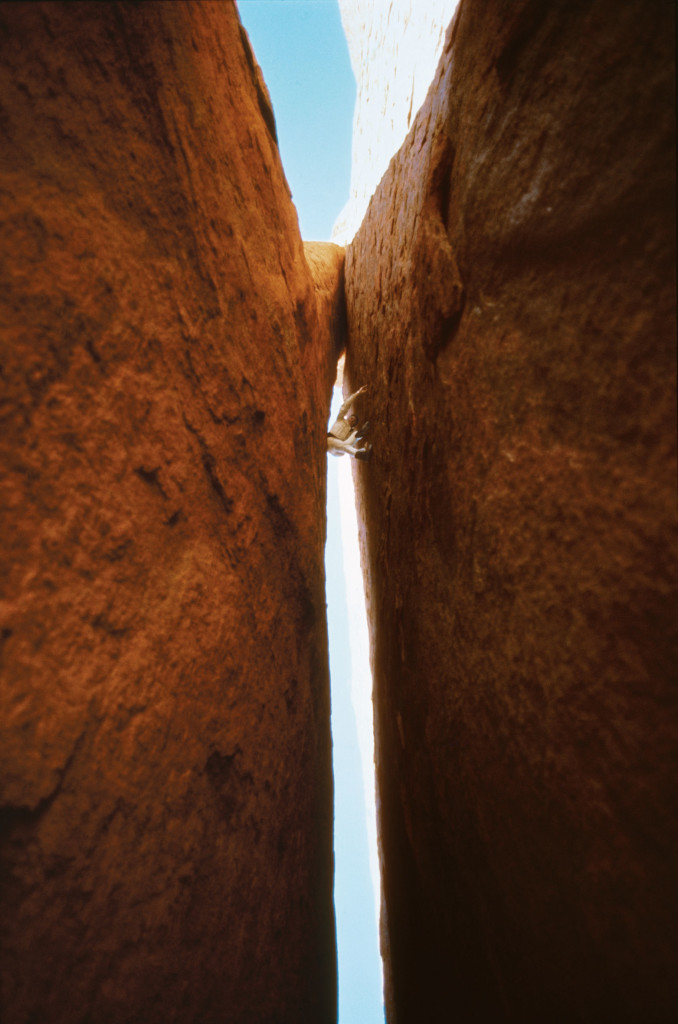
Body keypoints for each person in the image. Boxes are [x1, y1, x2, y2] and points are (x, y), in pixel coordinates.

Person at [327, 384, 372, 460]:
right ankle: (362, 454)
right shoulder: (340, 419)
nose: (352, 420)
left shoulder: (351, 431)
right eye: (351, 418)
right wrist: (358, 393)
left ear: (354, 424)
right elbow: (345, 406)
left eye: (354, 421)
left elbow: (351, 443)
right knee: (344, 445)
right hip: (329, 441)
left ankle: (362, 450)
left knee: (354, 435)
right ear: (348, 417)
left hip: (338, 451)